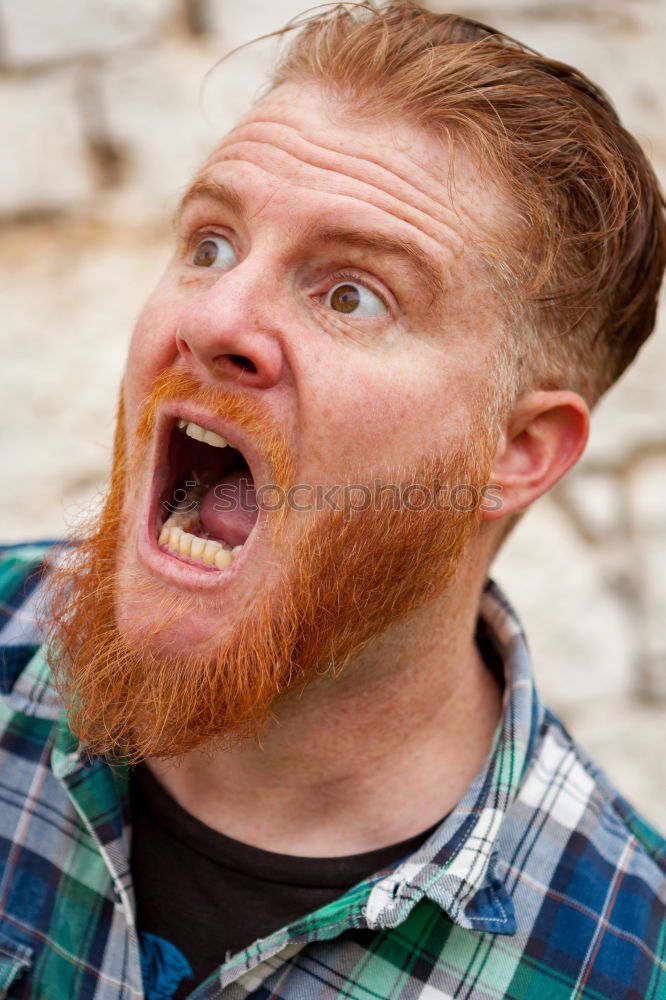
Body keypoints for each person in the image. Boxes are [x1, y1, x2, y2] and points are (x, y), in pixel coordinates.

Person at [1, 3, 664, 998]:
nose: (215, 316)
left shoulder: (622, 960)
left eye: (351, 294)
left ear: (517, 451)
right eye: (213, 243)